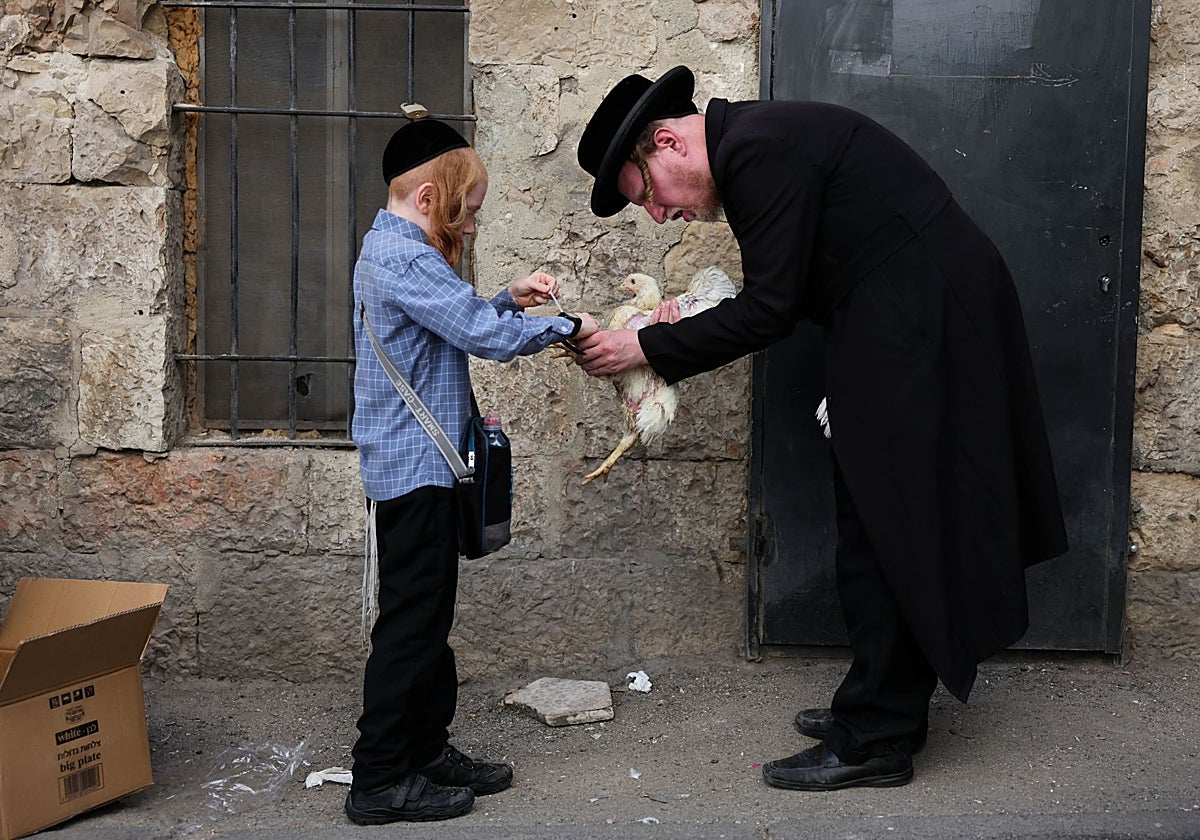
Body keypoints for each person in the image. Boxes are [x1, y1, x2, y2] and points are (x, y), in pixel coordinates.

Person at [574, 66, 1068, 791]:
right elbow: (793, 286)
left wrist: (643, 347)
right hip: (902, 314)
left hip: (918, 320)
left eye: (646, 194)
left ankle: (875, 736)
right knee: (881, 520)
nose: (658, 216)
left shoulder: (757, 151)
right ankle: (881, 706)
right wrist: (683, 322)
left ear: (670, 142)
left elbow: (773, 309)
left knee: (887, 525)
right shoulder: (756, 143)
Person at [348, 117, 598, 824]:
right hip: (416, 474)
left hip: (419, 467)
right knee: (411, 628)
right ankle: (379, 780)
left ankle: (425, 751)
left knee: (427, 622)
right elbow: (483, 338)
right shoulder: (407, 260)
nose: (472, 222)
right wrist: (569, 326)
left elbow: (456, 322)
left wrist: (508, 298)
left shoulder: (395, 251)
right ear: (429, 197)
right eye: (468, 209)